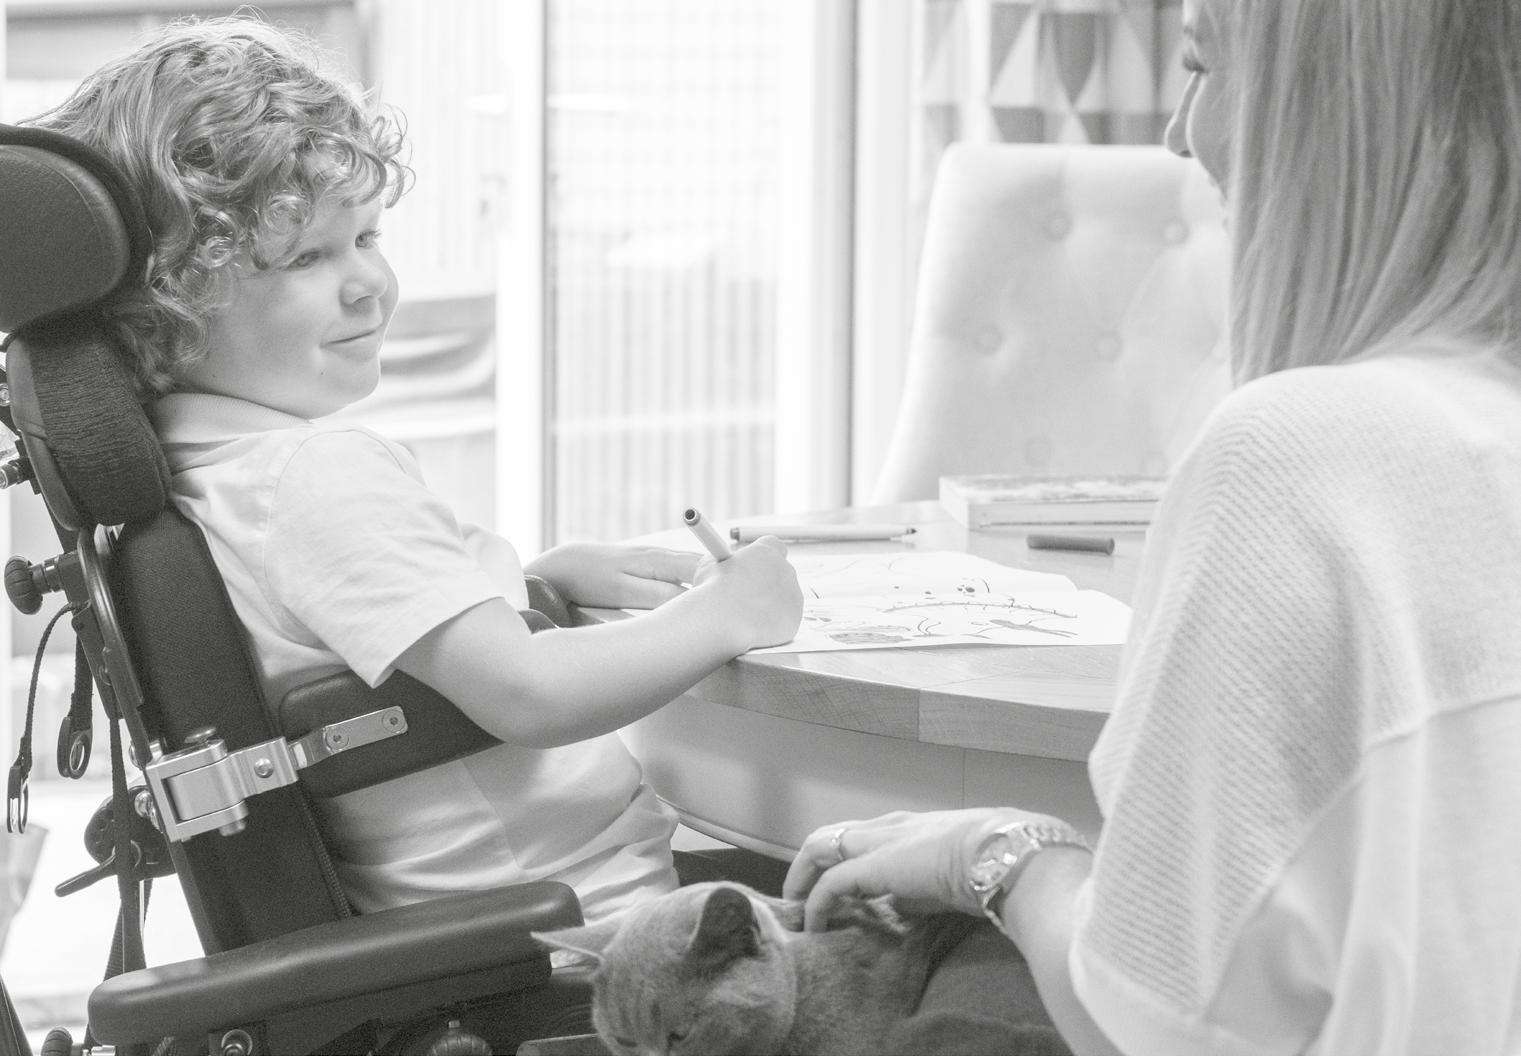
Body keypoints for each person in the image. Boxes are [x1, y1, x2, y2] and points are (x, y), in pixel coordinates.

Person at [786, 0, 1521, 1053]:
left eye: (1201, 67)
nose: (1179, 133)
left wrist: (997, 856)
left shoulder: (1296, 460)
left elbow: (1142, 1025)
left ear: (1325, 104)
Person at [28, 16, 802, 924]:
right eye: (307, 256)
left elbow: (368, 646)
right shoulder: (310, 476)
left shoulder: (211, 474)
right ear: (170, 300)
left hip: (518, 915)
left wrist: (530, 585)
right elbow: (530, 694)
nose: (369, 284)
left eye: (367, 237)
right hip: (596, 927)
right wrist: (727, 612)